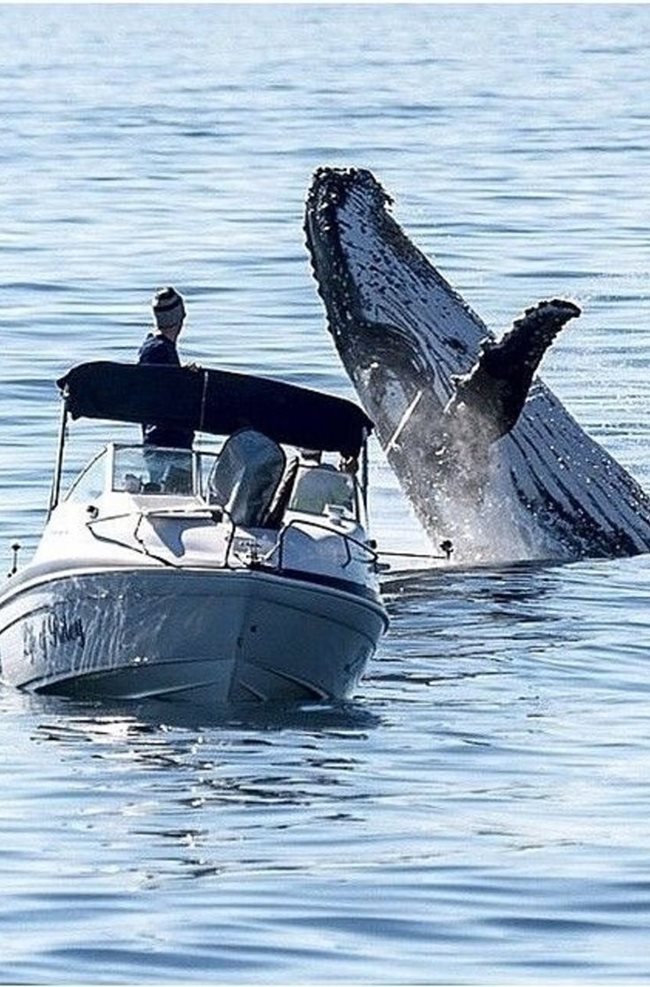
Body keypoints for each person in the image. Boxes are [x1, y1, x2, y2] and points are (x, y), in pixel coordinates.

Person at [138, 286, 194, 488]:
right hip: (169, 446)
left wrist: (182, 375)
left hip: (157, 443)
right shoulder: (158, 352)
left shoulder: (154, 348)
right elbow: (165, 397)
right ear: (181, 318)